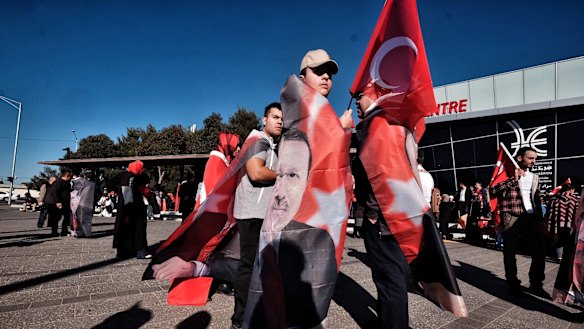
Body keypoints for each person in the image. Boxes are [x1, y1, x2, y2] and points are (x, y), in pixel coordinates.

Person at [151, 103, 282, 329]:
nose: (280, 121)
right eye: (275, 117)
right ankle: (240, 318)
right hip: (243, 215)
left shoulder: (262, 146)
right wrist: (286, 174)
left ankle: (243, 307)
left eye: (282, 118)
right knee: (245, 265)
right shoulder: (256, 142)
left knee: (245, 262)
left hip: (239, 216)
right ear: (264, 120)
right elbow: (253, 174)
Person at [243, 128, 337, 328]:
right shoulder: (252, 227)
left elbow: (310, 317)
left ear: (306, 183)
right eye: (279, 175)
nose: (280, 193)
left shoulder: (317, 242)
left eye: (293, 176)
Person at [353, 90, 409, 328]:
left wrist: (374, 214)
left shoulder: (376, 124)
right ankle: (389, 321)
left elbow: (381, 171)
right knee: (388, 275)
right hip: (392, 215)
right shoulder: (388, 122)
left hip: (382, 219)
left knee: (389, 277)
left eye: (361, 95)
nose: (357, 101)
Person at [489, 146, 549, 298]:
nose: (533, 162)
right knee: (509, 252)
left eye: (535, 159)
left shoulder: (534, 177)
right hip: (511, 215)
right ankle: (513, 282)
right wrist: (512, 179)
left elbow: (537, 198)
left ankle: (536, 284)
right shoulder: (508, 174)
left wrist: (540, 219)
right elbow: (492, 191)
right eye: (530, 158)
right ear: (520, 158)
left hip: (530, 217)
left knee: (539, 251)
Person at [111, 160, 152, 259]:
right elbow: (144, 190)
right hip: (136, 207)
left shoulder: (122, 175)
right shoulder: (140, 177)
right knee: (138, 228)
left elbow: (110, 183)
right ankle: (140, 250)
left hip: (123, 207)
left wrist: (118, 191)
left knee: (123, 228)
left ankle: (121, 251)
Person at [552, 186, 583, 305]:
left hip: (563, 228)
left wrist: (553, 231)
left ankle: (568, 294)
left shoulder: (556, 200)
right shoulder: (575, 200)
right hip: (575, 228)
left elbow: (552, 216)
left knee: (567, 255)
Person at [545, 183, 579, 260]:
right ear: (571, 190)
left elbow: (549, 214)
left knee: (558, 242)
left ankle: (559, 257)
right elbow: (577, 214)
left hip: (557, 225)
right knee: (569, 243)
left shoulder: (554, 200)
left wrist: (549, 225)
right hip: (570, 225)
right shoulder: (575, 200)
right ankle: (567, 258)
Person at [73, 172, 96, 237]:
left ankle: (80, 233)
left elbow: (76, 189)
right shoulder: (93, 184)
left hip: (82, 202)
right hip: (90, 204)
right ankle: (87, 233)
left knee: (80, 219)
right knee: (88, 220)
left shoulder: (83, 182)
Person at [52, 170, 73, 237]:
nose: (71, 179)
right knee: (57, 218)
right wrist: (58, 202)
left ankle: (64, 231)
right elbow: (55, 192)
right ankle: (54, 232)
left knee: (67, 218)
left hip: (66, 203)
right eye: (70, 177)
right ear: (67, 176)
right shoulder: (58, 182)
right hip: (60, 203)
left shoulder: (67, 183)